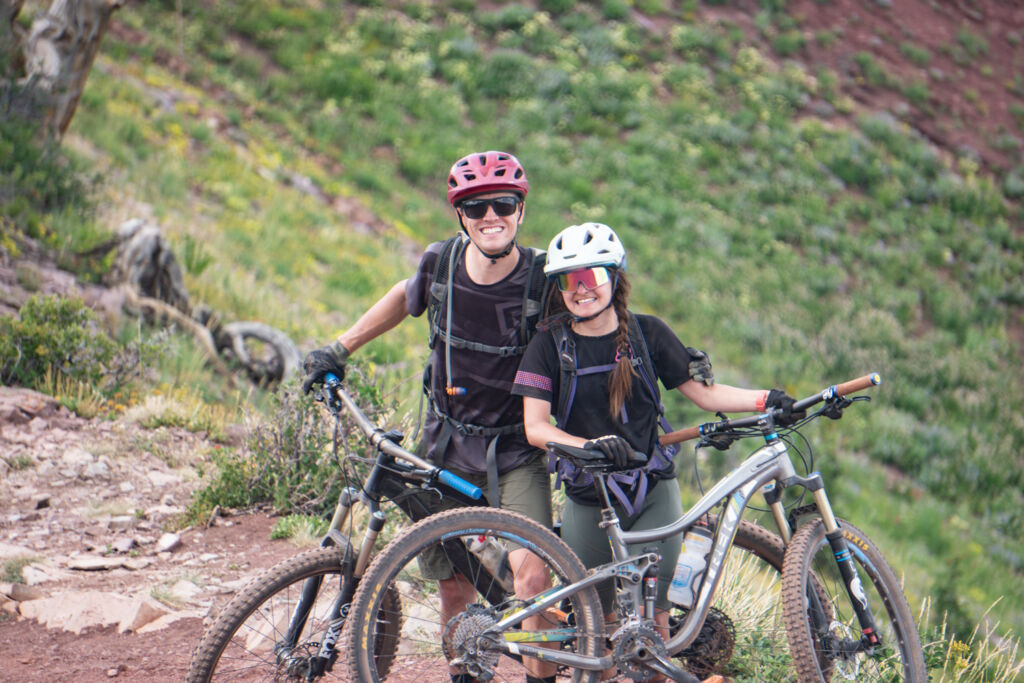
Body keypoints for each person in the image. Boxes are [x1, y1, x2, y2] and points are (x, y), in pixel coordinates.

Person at [301, 150, 561, 683]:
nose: (491, 217)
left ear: (521, 210)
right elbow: (404, 296)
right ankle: (466, 675)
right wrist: (340, 348)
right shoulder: (440, 264)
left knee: (530, 580)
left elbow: (593, 327)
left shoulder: (543, 279)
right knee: (452, 583)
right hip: (444, 444)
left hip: (516, 451)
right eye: (476, 207)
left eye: (503, 205)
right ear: (461, 215)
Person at [512, 222, 803, 680]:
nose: (581, 289)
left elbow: (706, 396)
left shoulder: (647, 335)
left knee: (657, 620)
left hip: (653, 489)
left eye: (592, 277)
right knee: (598, 626)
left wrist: (768, 399)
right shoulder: (548, 346)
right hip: (591, 497)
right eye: (569, 280)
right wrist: (591, 447)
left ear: (615, 278)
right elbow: (535, 427)